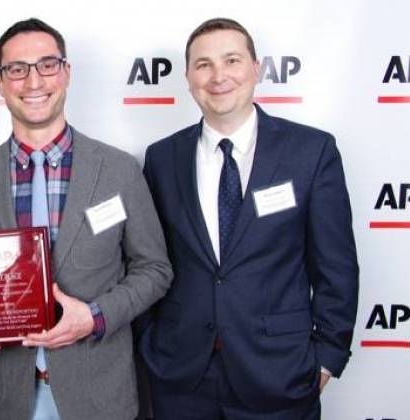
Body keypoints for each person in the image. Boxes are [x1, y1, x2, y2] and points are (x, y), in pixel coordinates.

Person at [140, 17, 359, 419]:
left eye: (232, 60)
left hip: (281, 376)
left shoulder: (311, 152)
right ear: (188, 77)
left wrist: (325, 361)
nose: (218, 76)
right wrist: (150, 348)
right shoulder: (161, 158)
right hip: (180, 378)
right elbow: (147, 261)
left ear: (255, 69)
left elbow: (336, 268)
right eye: (203, 64)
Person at [0, 18, 172, 420]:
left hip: (100, 394)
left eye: (47, 65)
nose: (33, 81)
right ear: (0, 84)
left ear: (66, 73)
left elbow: (154, 269)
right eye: (16, 69)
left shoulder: (118, 170)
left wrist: (94, 317)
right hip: (10, 398)